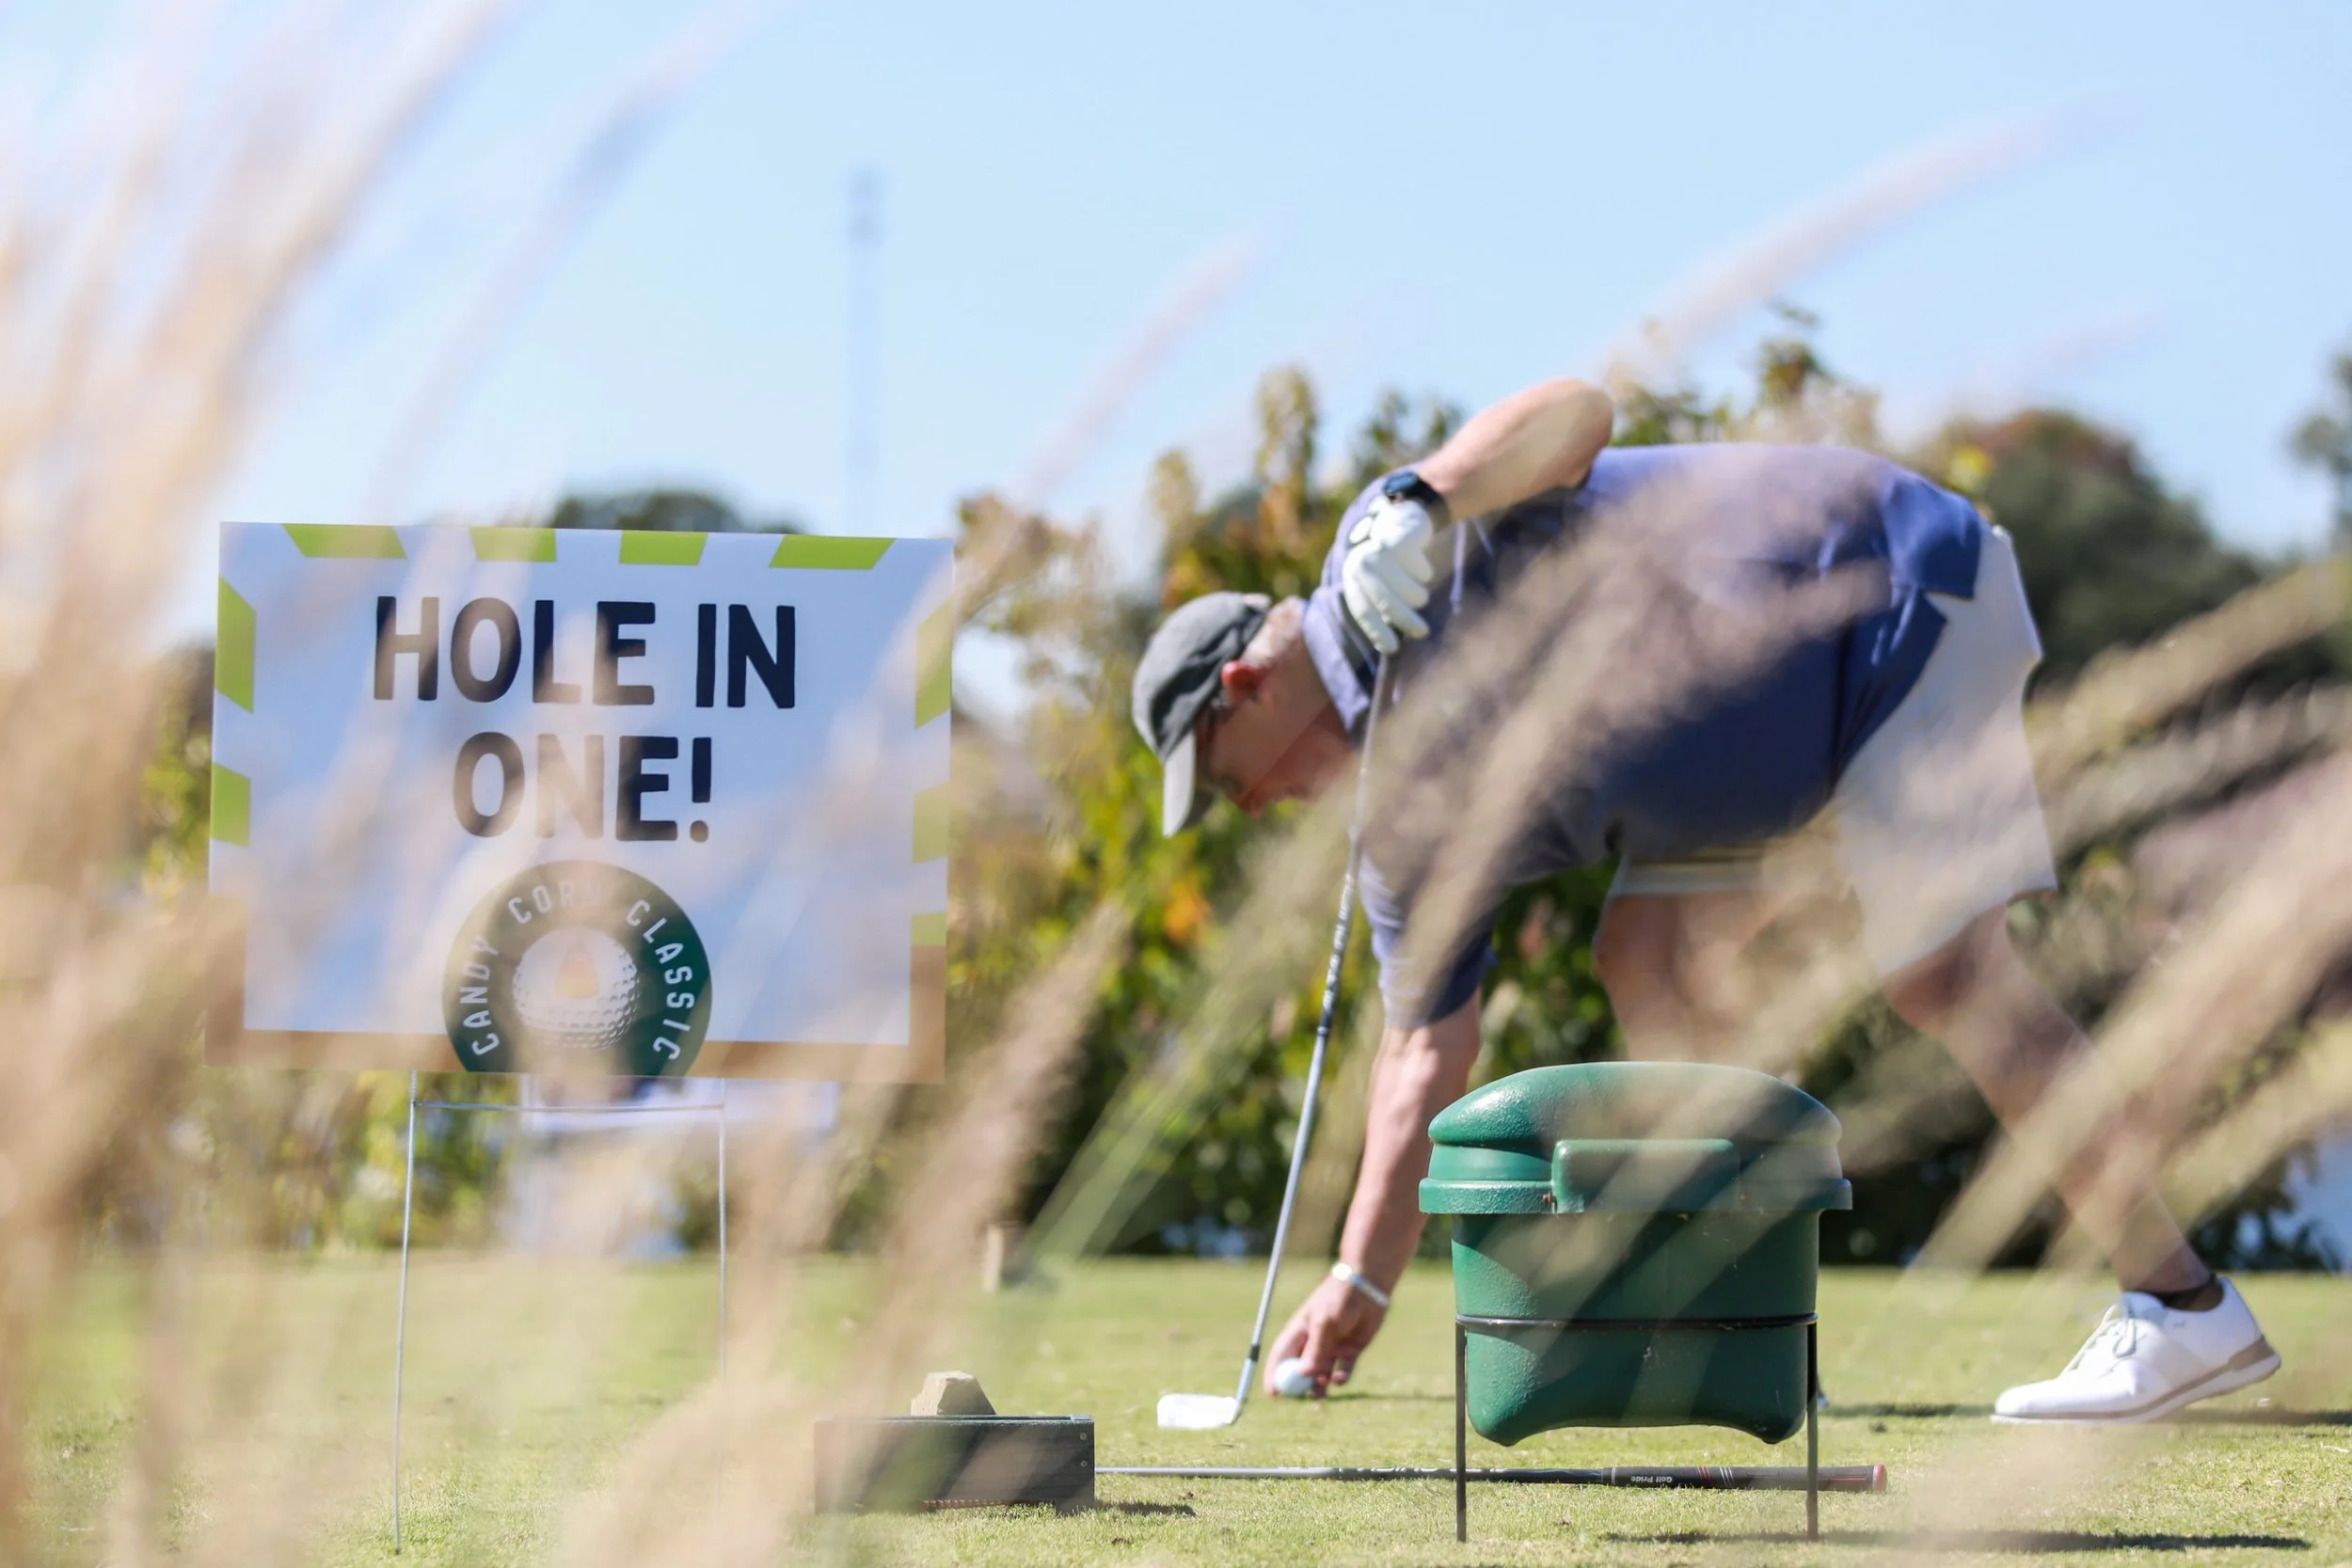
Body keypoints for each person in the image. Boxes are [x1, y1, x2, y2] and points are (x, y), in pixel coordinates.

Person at [1129, 375, 2281, 1425]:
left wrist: (1418, 494)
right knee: (1647, 957)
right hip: (1754, 756)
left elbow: (1579, 413)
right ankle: (1749, 1339)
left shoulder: (1389, 559)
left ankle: (2181, 1304)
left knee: (1946, 970)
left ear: (1243, 687)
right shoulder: (1396, 830)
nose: (1255, 805)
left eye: (1230, 778)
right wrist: (1360, 1278)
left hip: (1891, 594)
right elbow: (1421, 1054)